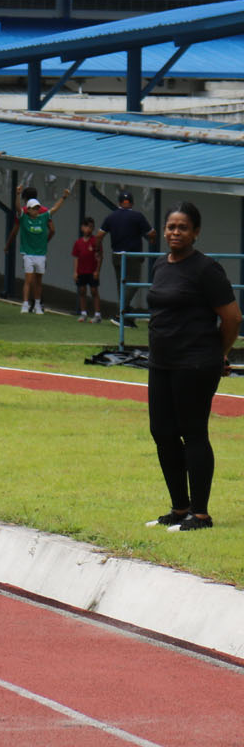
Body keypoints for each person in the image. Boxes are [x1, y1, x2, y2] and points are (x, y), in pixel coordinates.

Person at [143, 203, 241, 532]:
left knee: (193, 432)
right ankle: (179, 508)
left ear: (195, 232)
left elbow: (232, 318)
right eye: (171, 226)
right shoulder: (161, 264)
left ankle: (200, 515)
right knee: (162, 432)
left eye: (183, 227)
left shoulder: (206, 270)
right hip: (161, 363)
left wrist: (219, 353)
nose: (175, 232)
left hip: (195, 363)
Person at [4, 186, 68, 314]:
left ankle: (38, 304)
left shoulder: (43, 216)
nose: (37, 210)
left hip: (41, 254)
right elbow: (18, 208)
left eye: (37, 208)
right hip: (28, 253)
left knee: (38, 281)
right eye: (34, 208)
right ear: (28, 209)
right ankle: (25, 304)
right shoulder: (24, 217)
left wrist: (64, 197)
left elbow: (55, 208)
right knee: (28, 280)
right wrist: (17, 194)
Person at [98, 190, 156, 326]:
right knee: (133, 284)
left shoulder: (111, 217)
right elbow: (152, 233)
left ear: (119, 202)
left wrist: (97, 250)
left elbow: (99, 235)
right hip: (132, 256)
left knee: (122, 285)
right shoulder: (137, 216)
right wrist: (152, 240)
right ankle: (120, 313)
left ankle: (126, 316)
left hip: (117, 255)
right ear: (132, 203)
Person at [72, 217, 103, 323]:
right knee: (82, 291)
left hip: (92, 271)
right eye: (86, 227)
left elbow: (100, 257)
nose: (88, 229)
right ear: (82, 227)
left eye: (90, 227)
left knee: (94, 291)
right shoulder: (78, 242)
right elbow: (76, 257)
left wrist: (97, 271)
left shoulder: (95, 241)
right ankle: (83, 313)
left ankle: (97, 315)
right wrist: (75, 272)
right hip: (81, 271)